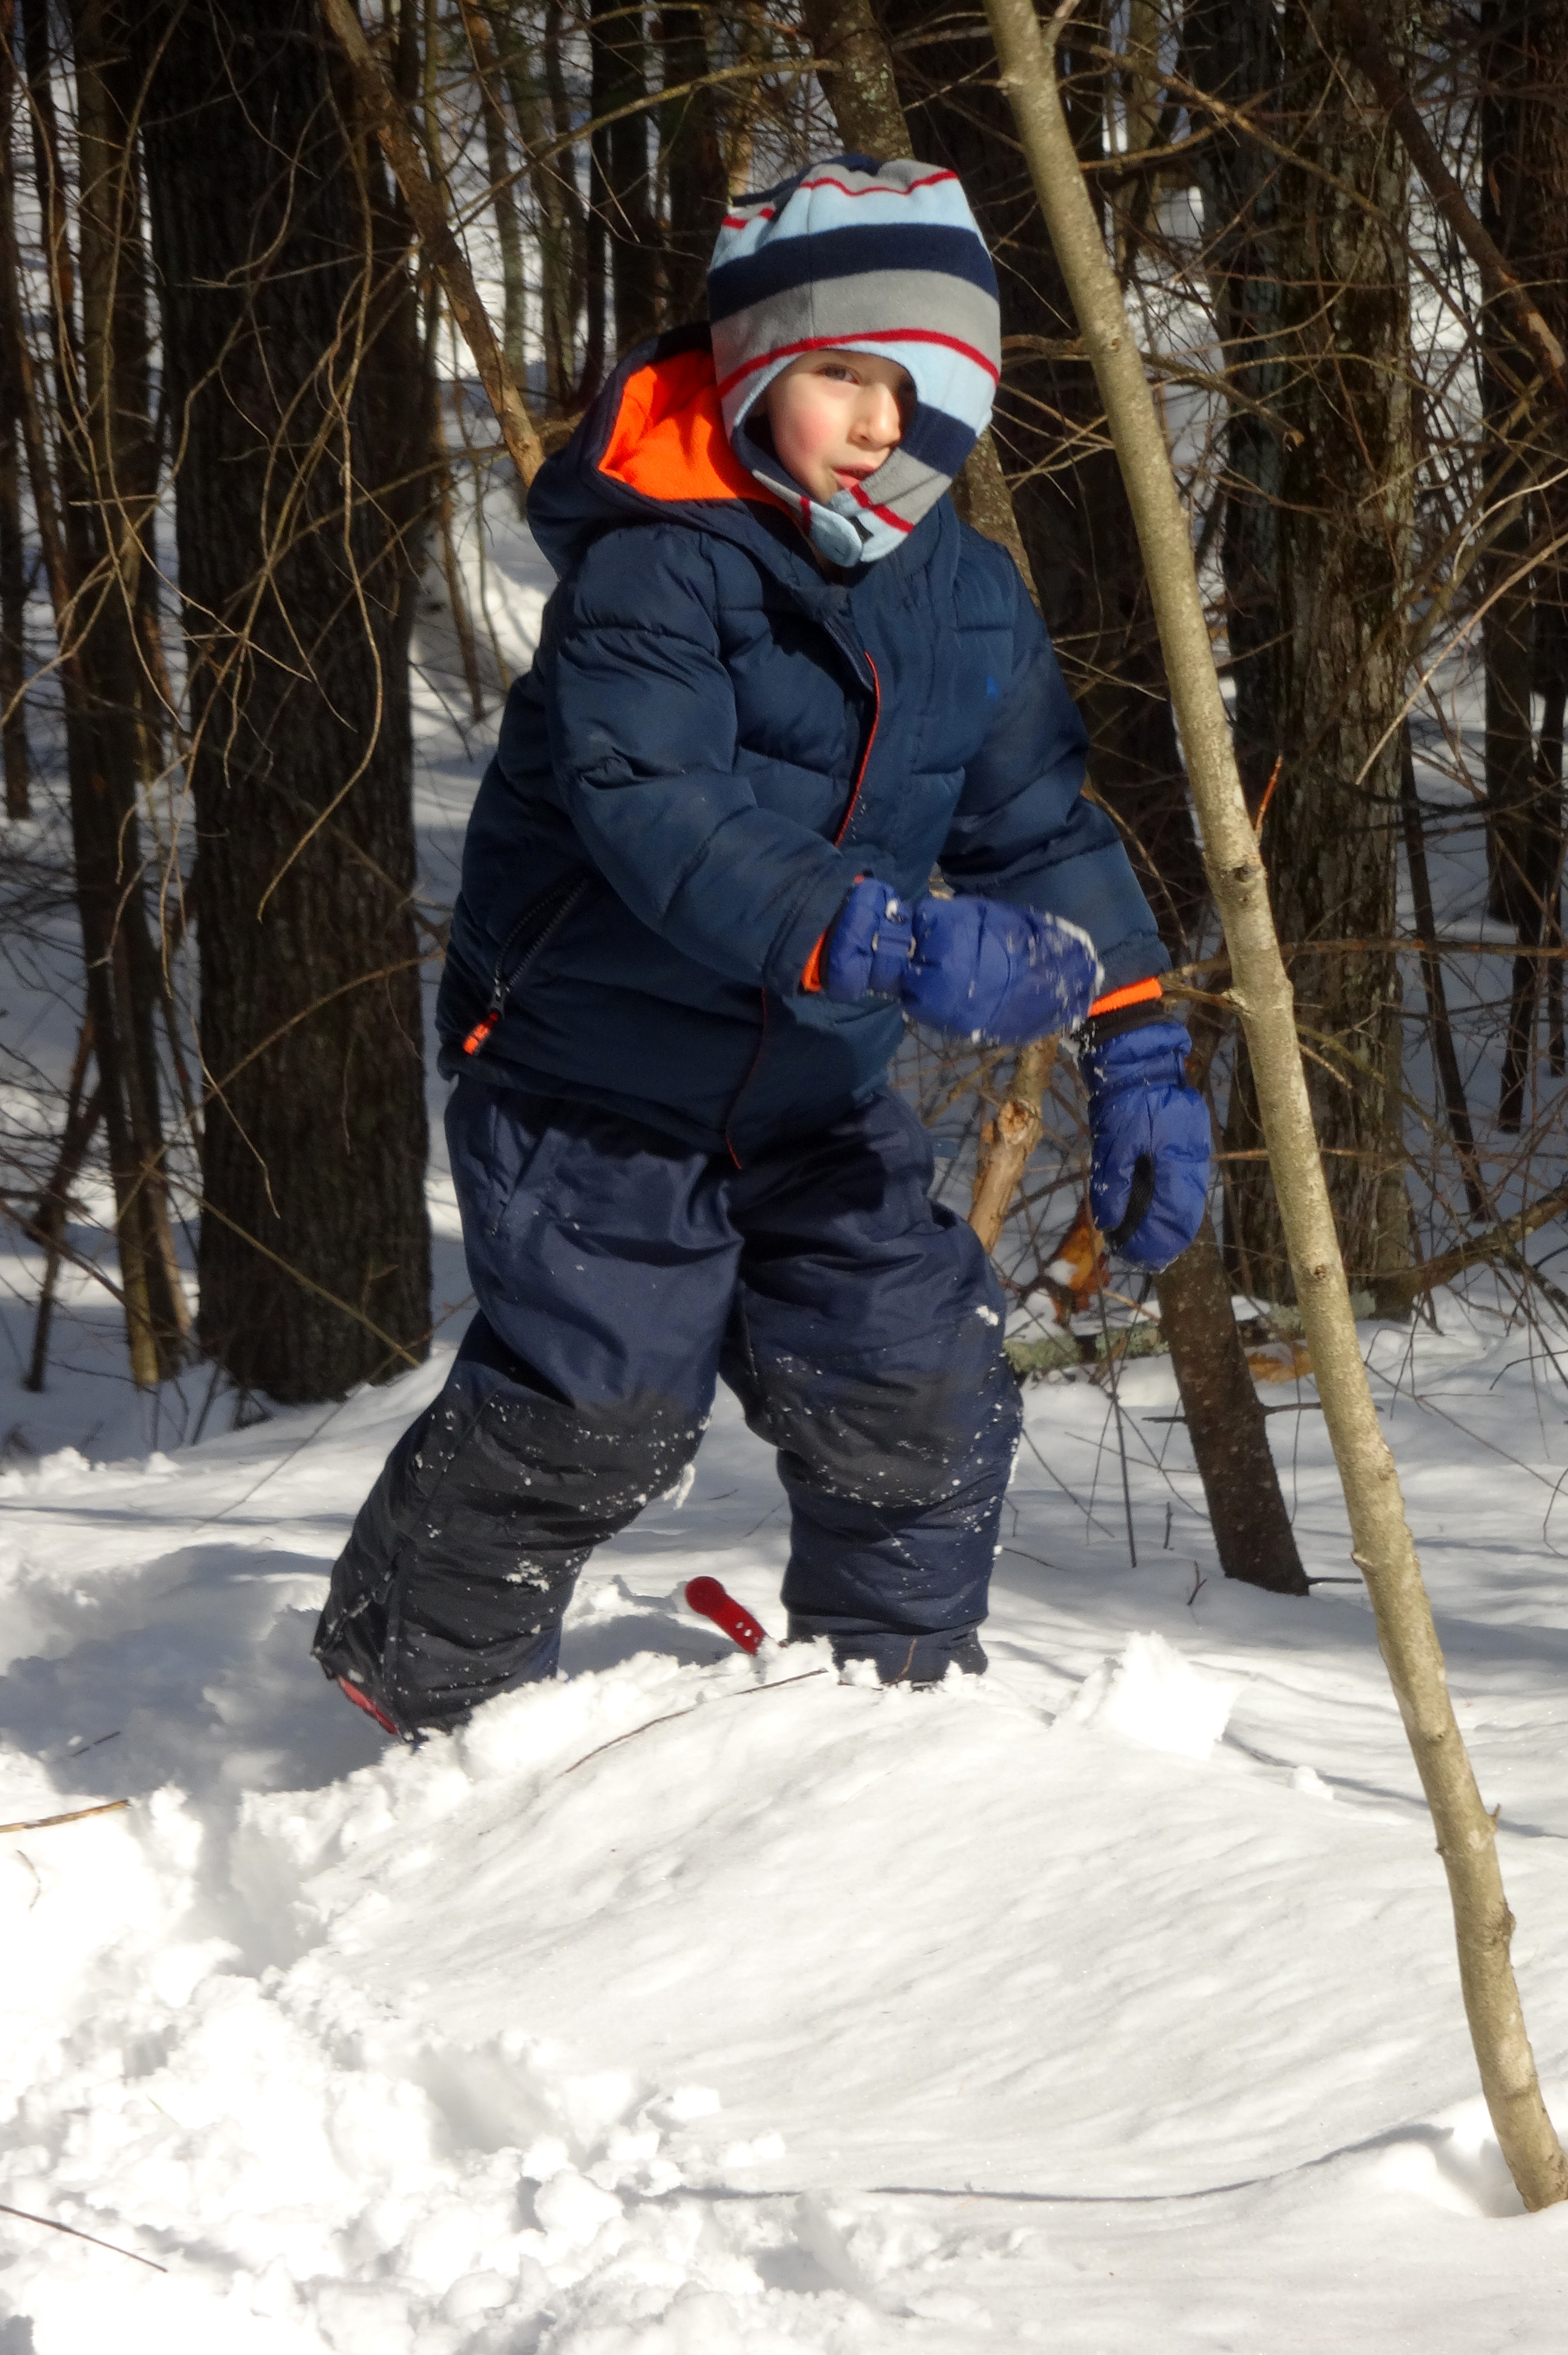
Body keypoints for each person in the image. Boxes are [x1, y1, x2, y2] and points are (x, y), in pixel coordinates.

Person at [313, 156, 1211, 1738]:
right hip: (594, 1080)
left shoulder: (968, 596)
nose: (881, 423)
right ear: (754, 364)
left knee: (920, 1386)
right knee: (597, 1410)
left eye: (922, 388)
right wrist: (886, 938)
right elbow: (655, 808)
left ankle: (887, 1721)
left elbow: (1037, 826)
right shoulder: (657, 563)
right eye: (845, 374)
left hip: (811, 1088)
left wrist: (1137, 1035)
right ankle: (415, 1706)